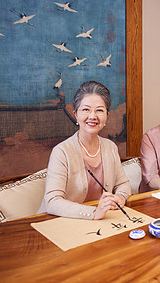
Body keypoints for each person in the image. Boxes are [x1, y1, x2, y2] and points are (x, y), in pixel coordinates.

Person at [38, 81, 131, 220]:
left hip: (99, 222)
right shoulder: (61, 152)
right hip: (62, 222)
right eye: (86, 110)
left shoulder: (111, 147)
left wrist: (120, 197)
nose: (93, 116)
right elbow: (52, 201)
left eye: (99, 110)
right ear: (75, 114)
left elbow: (123, 184)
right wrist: (93, 213)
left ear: (107, 115)